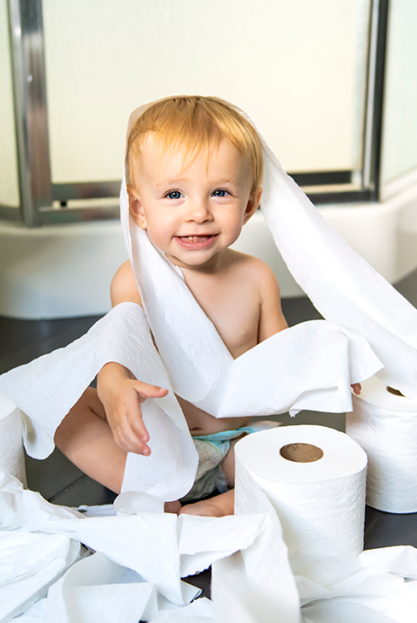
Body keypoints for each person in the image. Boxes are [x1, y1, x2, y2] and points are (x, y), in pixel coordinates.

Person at [53, 95, 288, 517]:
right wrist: (113, 387)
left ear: (249, 205)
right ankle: (160, 493)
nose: (198, 213)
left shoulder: (256, 278)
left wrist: (329, 366)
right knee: (62, 409)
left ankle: (222, 505)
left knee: (278, 457)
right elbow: (117, 352)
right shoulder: (134, 281)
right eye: (175, 194)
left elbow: (287, 357)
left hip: (238, 440)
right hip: (161, 444)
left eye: (220, 192)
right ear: (140, 209)